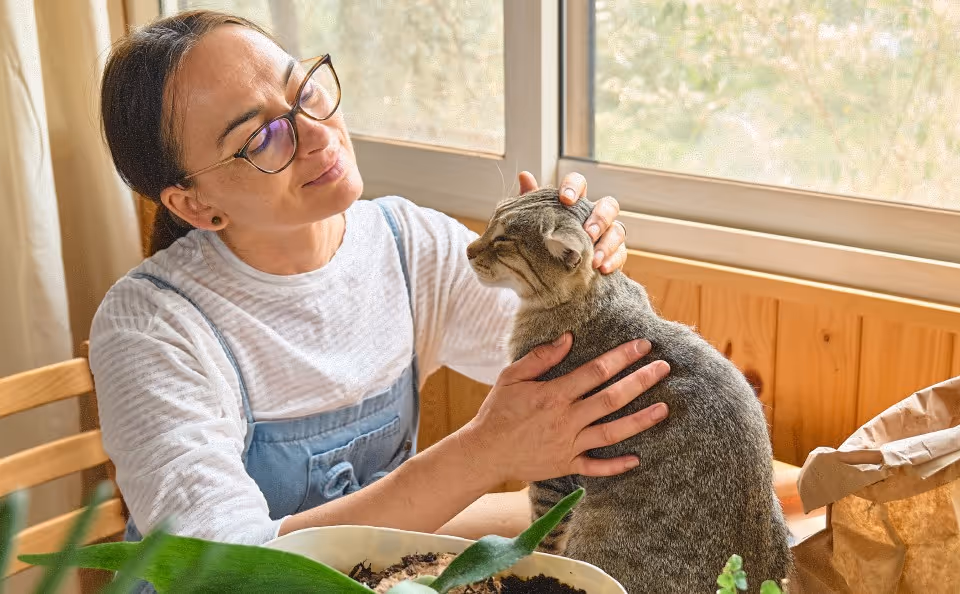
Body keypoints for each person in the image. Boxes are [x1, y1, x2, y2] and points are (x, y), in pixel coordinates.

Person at [91, 9, 672, 553]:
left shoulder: (407, 245)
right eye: (262, 138)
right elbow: (226, 571)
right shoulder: (149, 328)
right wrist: (483, 452)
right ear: (195, 204)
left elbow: (598, 374)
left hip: (386, 569)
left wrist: (578, 274)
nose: (318, 135)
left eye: (305, 92)